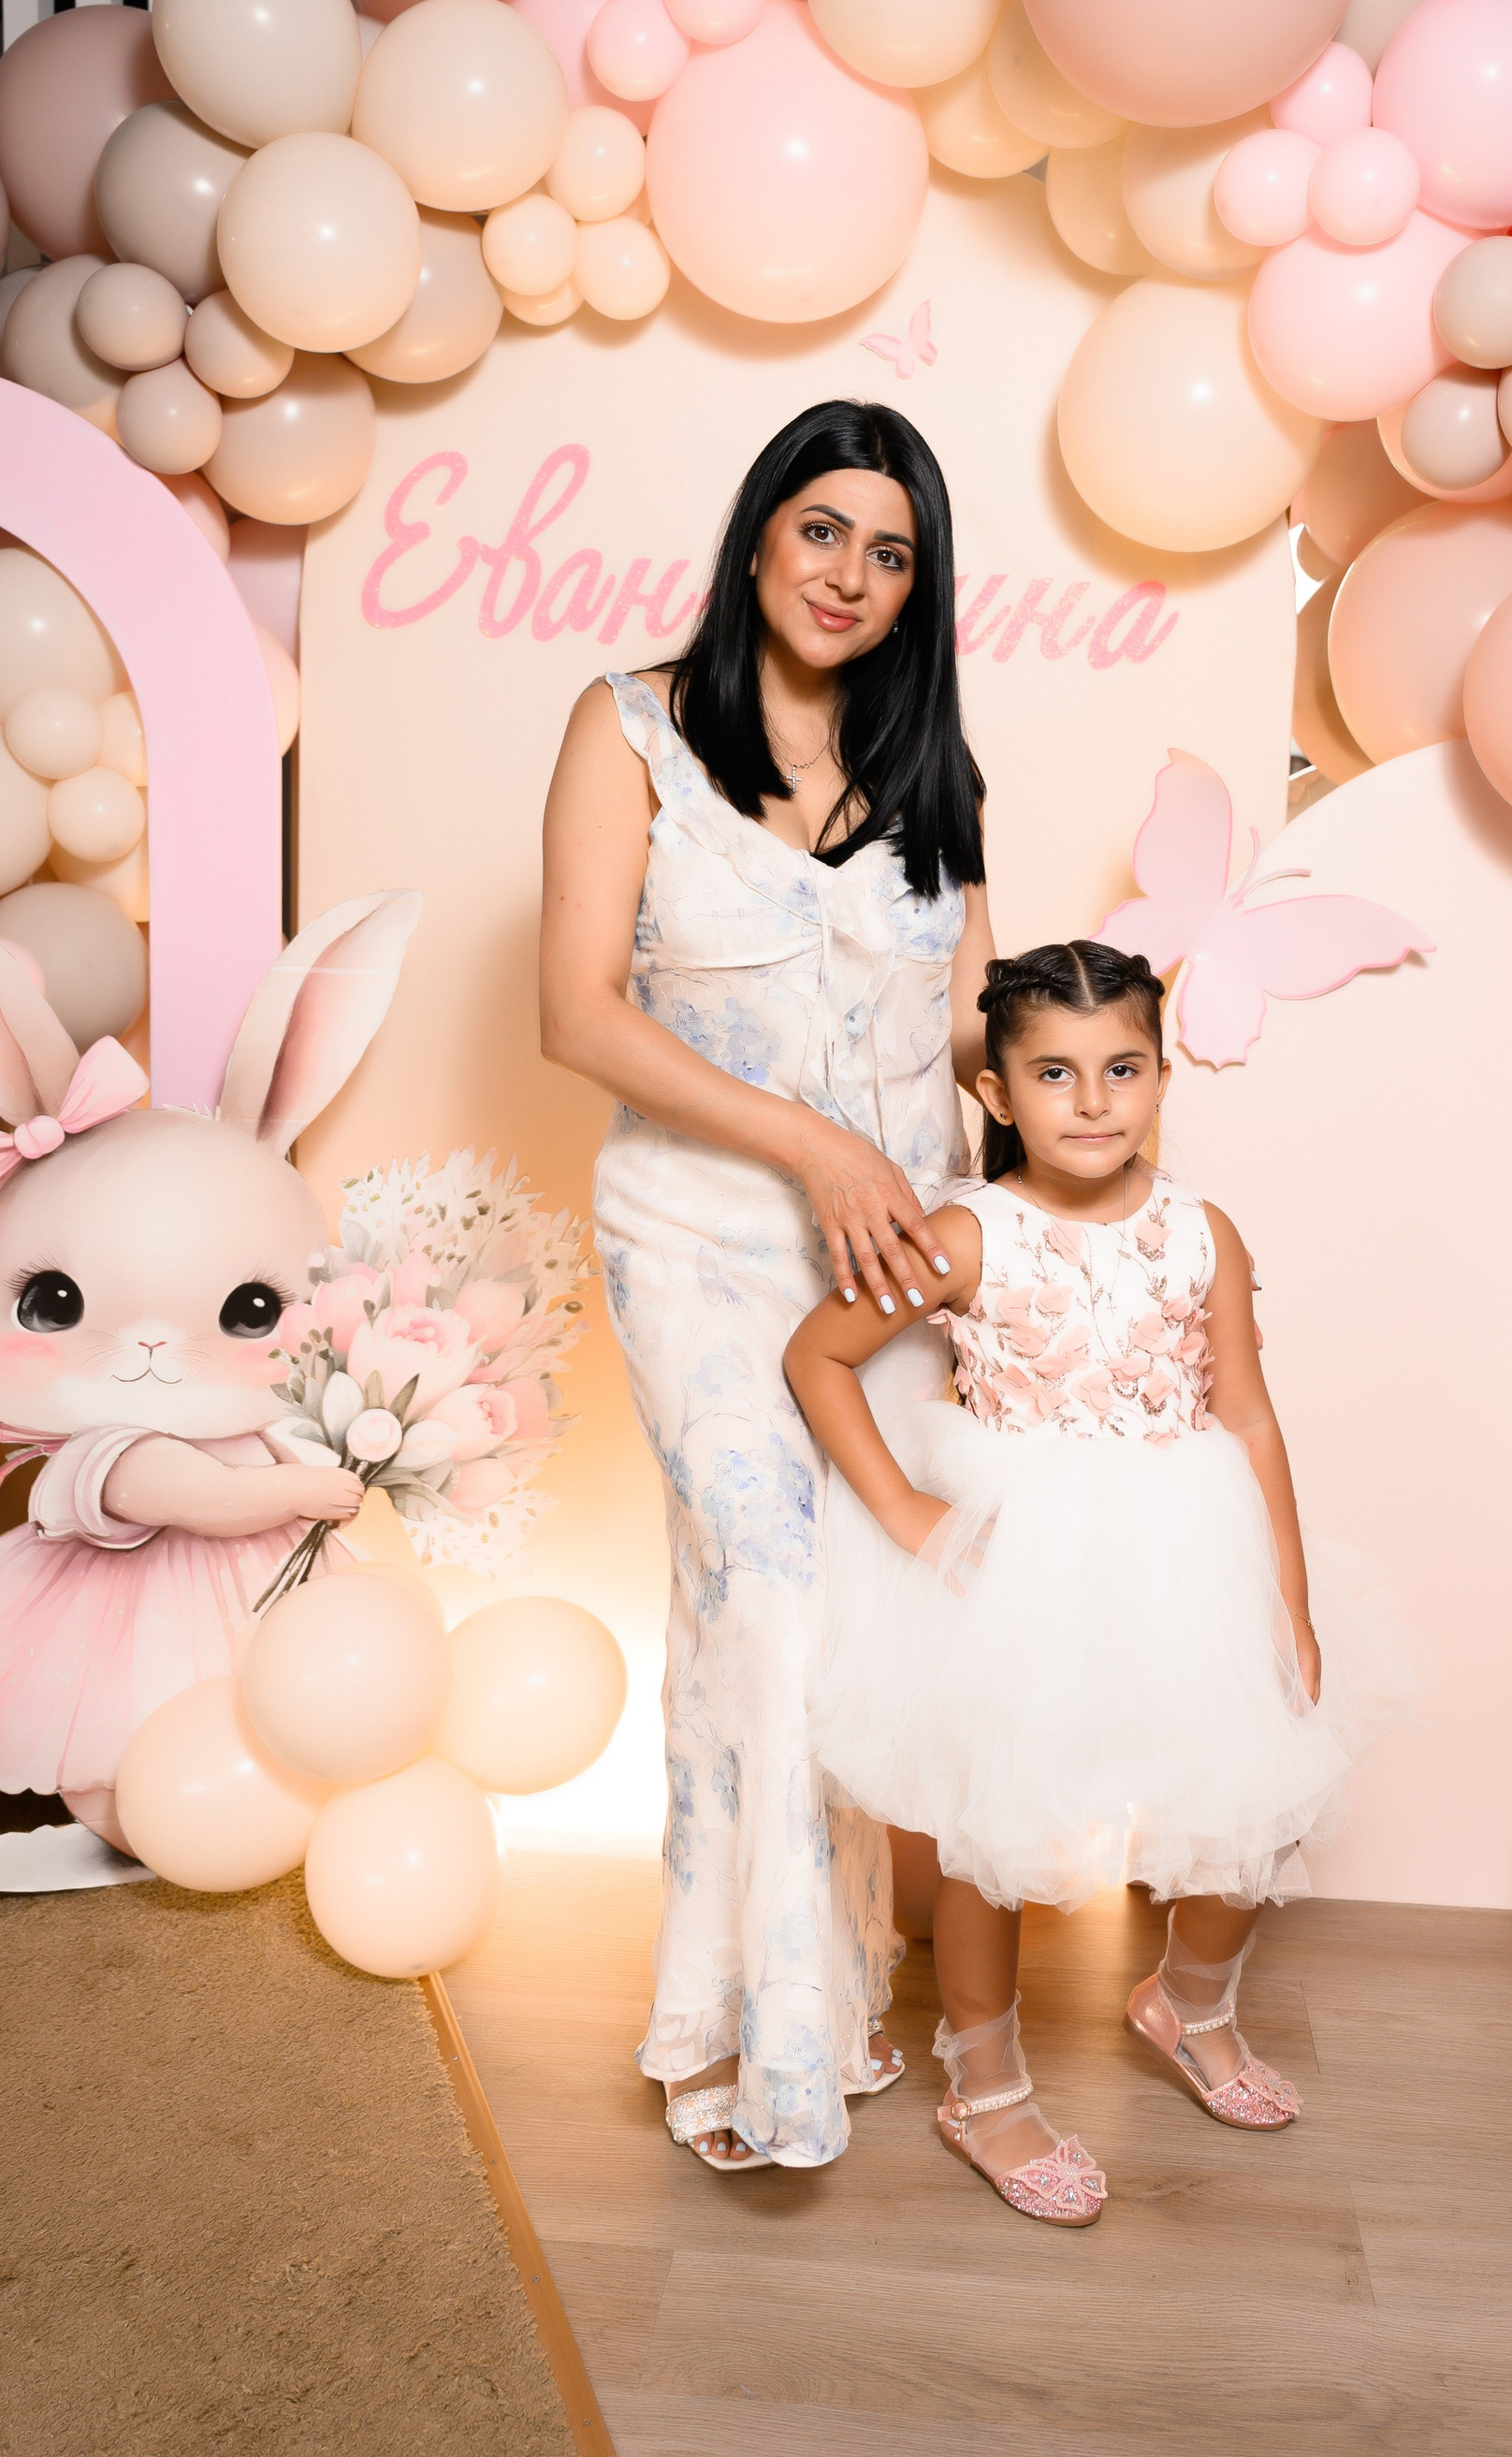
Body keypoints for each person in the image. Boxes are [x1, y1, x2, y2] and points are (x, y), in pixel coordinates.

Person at [537, 400, 995, 2172]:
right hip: (705, 1242)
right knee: (771, 1600)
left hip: (895, 1271)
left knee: (845, 1615)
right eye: (823, 531)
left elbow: (968, 1029)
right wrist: (812, 1144)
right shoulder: (628, 729)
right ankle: (749, 2042)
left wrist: (1094, 1073)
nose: (850, 575)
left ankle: (796, 1996)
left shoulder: (937, 772)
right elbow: (577, 1013)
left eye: (892, 553)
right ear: (756, 539)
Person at [787, 940, 1415, 2225]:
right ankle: (986, 2083)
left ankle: (1189, 2005)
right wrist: (904, 1508)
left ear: (1163, 1076)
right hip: (1027, 1562)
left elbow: (1248, 1414)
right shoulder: (971, 1232)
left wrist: (1289, 1601)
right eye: (1055, 1073)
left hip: (1190, 1544)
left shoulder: (1201, 1231)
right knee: (997, 1824)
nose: (1092, 1100)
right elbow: (818, 1356)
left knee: (1259, 1786)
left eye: (1122, 1068)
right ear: (1000, 1091)